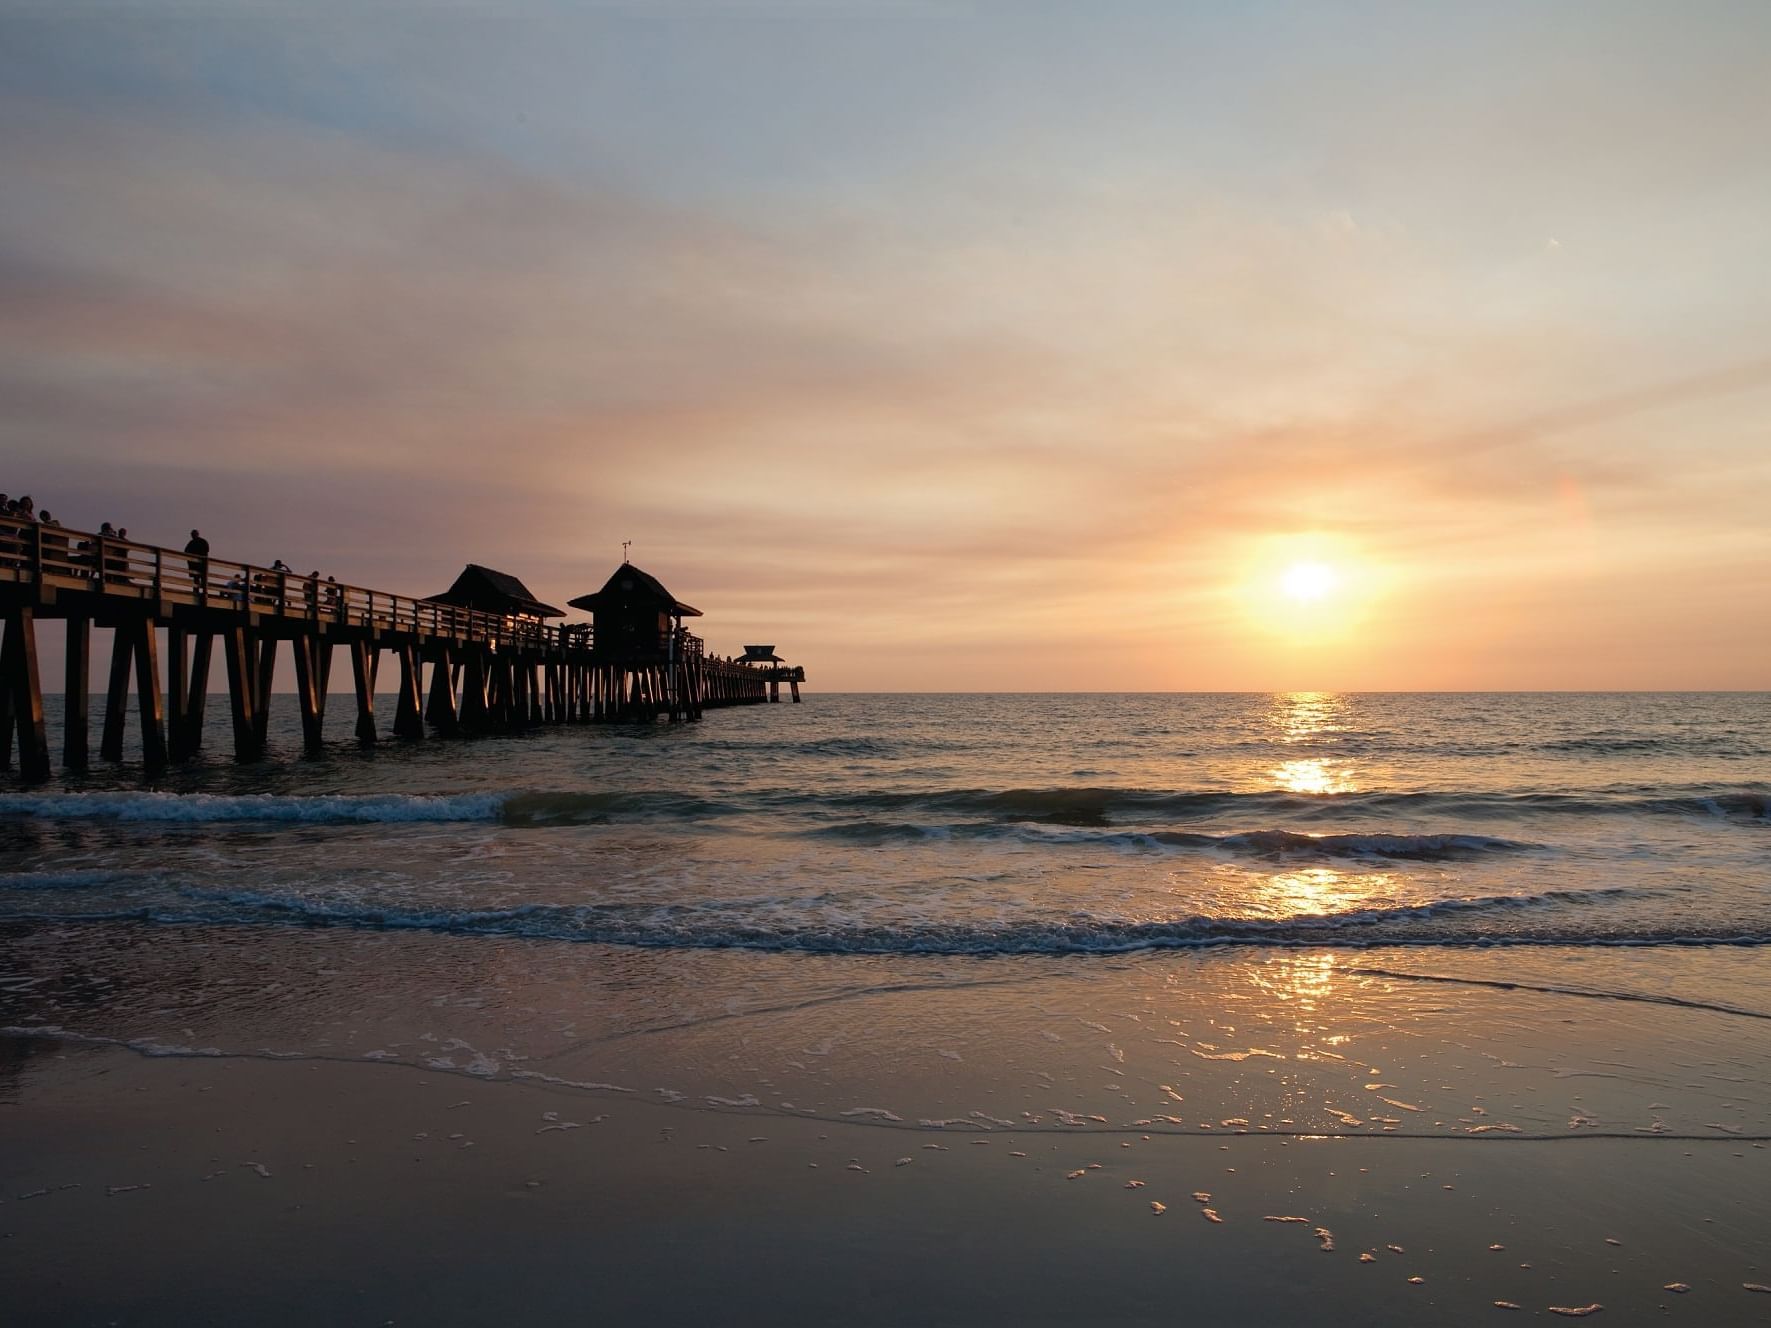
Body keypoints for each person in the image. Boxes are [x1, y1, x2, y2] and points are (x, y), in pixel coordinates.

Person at [184, 529, 210, 596]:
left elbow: (206, 550)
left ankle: (201, 592)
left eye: (193, 534)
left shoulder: (199, 542)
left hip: (199, 564)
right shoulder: (198, 542)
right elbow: (186, 552)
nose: (192, 536)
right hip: (198, 564)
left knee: (201, 578)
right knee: (198, 578)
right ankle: (199, 592)